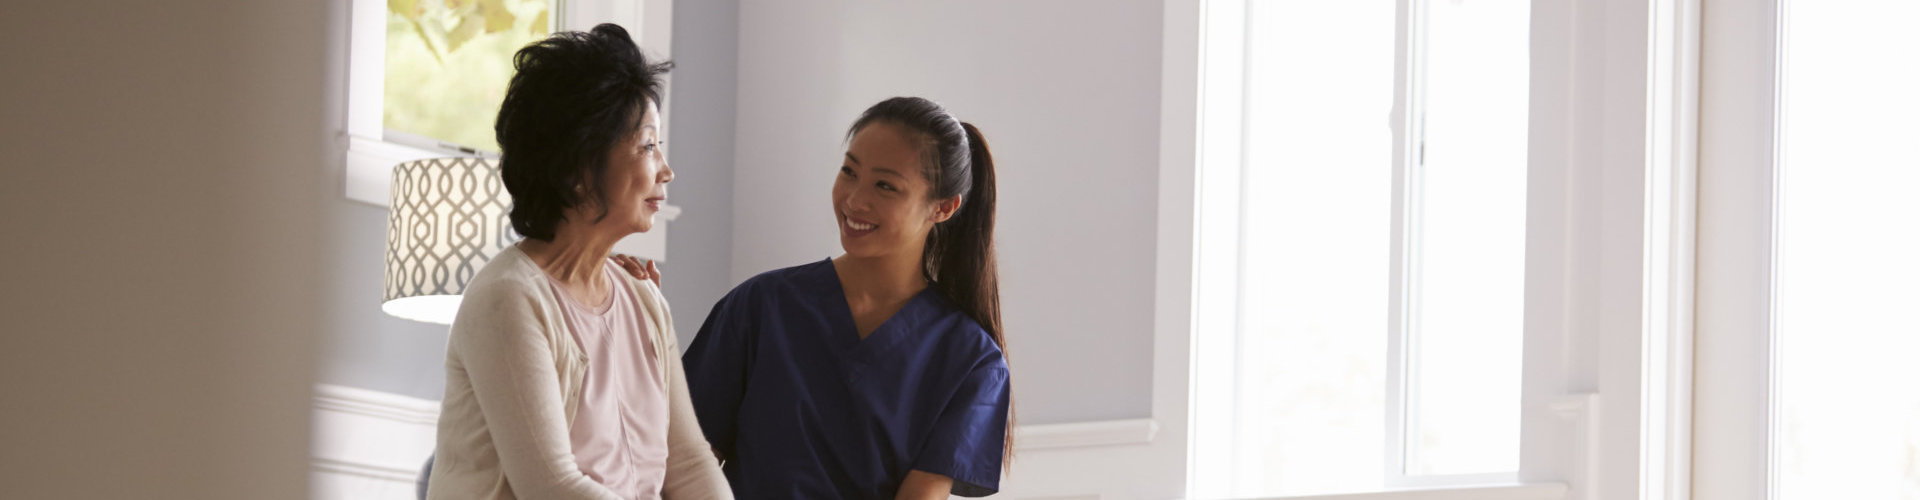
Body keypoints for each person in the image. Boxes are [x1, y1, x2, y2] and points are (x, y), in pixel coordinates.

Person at [426, 24, 729, 500]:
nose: (666, 170)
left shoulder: (644, 300)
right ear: (577, 172)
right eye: (648, 146)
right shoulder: (508, 298)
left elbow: (690, 463)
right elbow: (552, 487)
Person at [670, 97, 1014, 499]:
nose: (854, 200)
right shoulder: (760, 306)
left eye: (885, 185)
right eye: (849, 171)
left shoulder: (972, 361)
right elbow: (686, 460)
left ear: (943, 208)